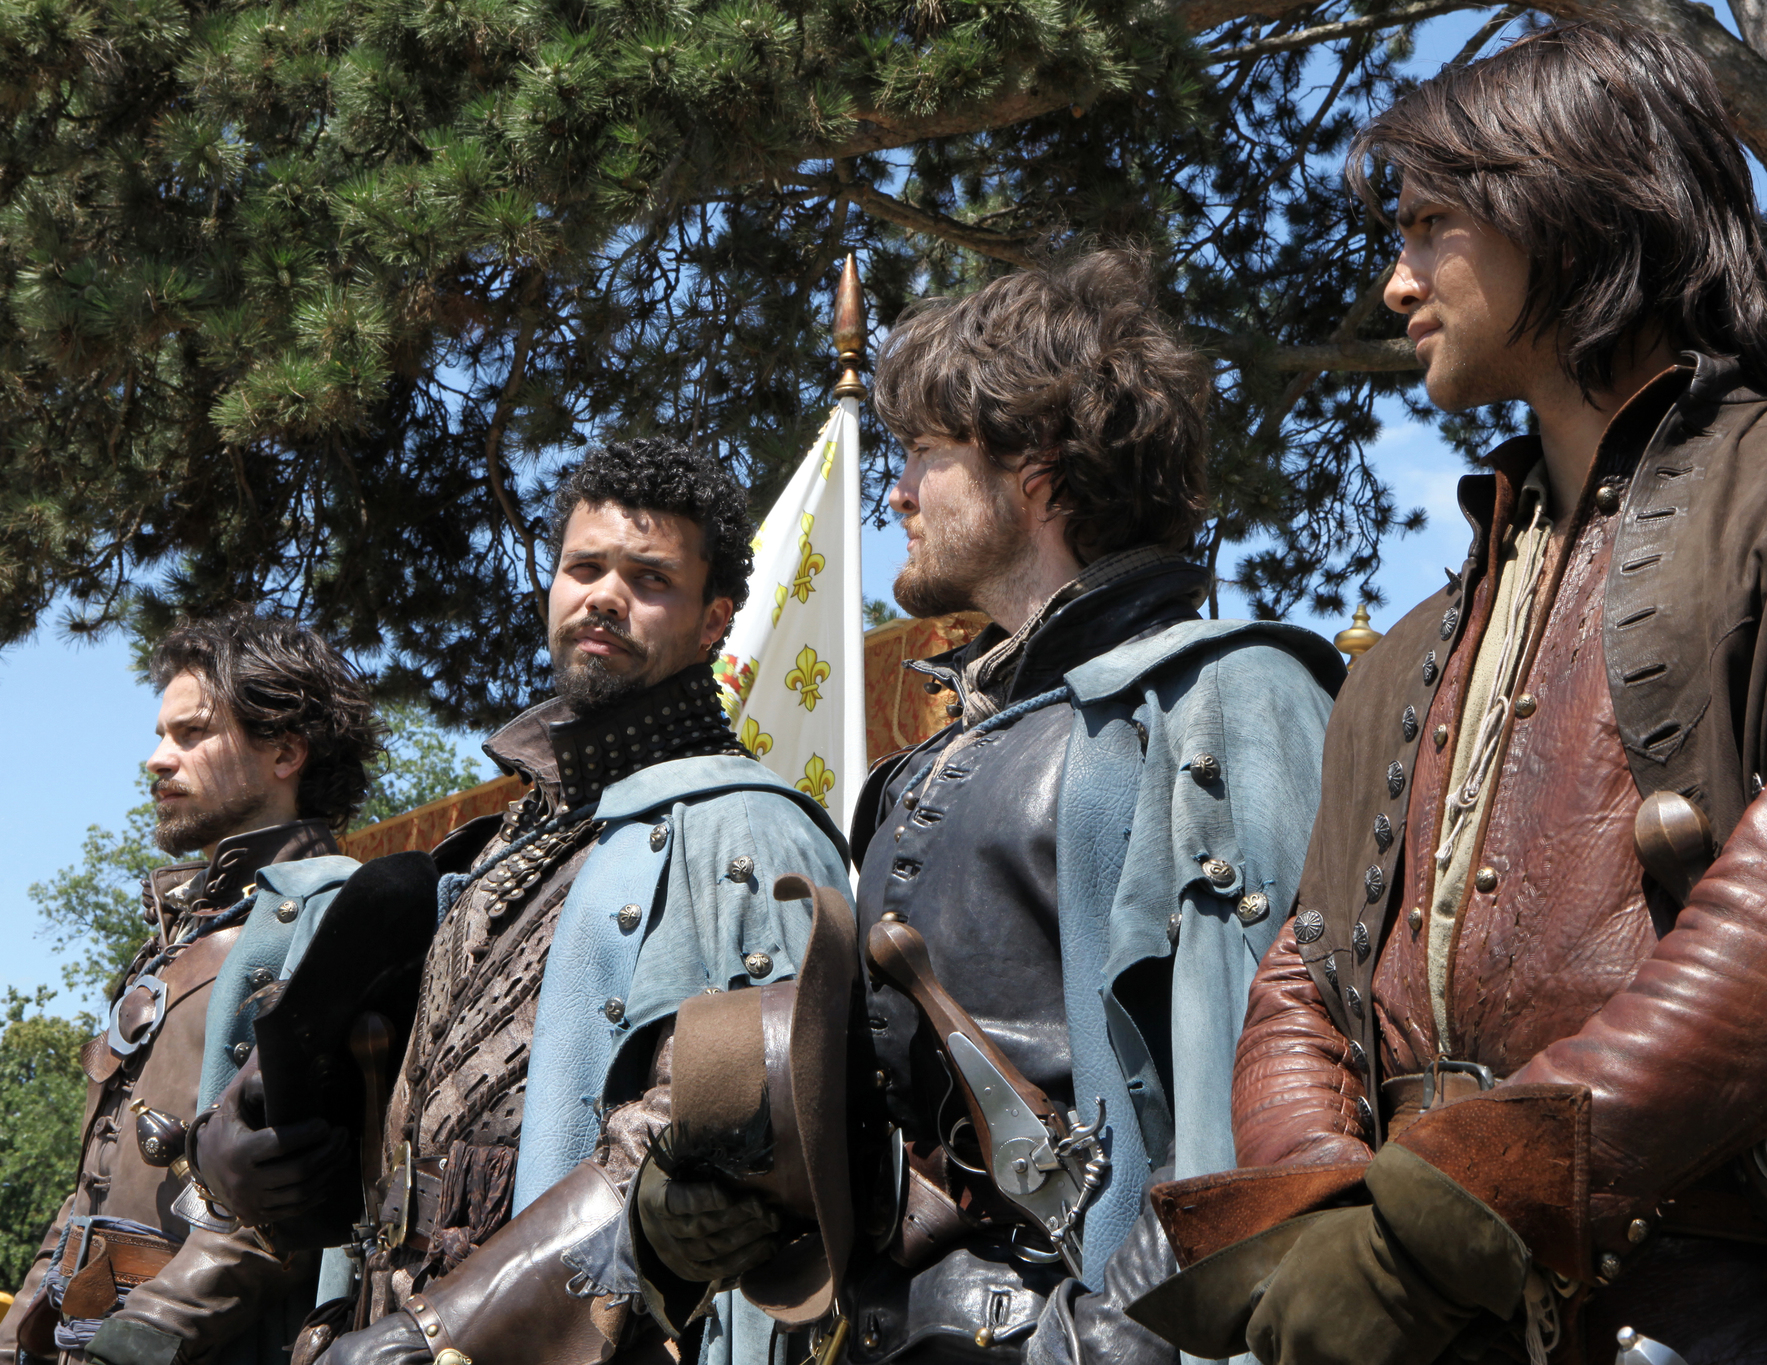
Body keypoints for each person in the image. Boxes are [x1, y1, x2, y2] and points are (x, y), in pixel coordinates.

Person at [1154, 18, 1767, 1365]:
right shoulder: (1404, 654)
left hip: (1743, 1311)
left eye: (1430, 225)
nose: (1396, 285)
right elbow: (1309, 969)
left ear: (1569, 210)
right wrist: (1330, 1225)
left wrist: (1435, 1218)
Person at [628, 249, 1348, 1364]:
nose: (897, 493)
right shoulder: (922, 765)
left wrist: (1118, 1341)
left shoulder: (1222, 693)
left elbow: (1271, 1101)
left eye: (923, 456)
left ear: (1040, 481)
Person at [243, 437, 854, 1365]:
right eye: (584, 567)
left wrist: (452, 1325)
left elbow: (736, 1137)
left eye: (649, 578)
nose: (604, 595)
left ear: (713, 620)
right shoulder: (501, 845)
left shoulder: (747, 828)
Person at [0, 615, 381, 1365]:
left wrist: (141, 1339)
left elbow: (295, 1204)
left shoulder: (331, 917)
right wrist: (19, 1339)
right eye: (159, 733)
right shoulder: (178, 935)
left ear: (285, 750)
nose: (155, 759)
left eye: (190, 734)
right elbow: (93, 1187)